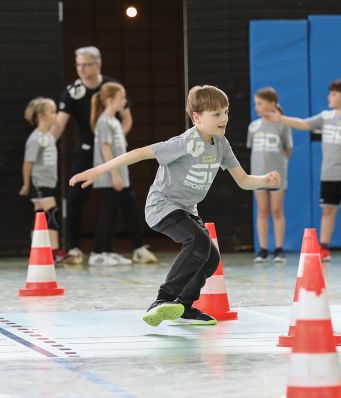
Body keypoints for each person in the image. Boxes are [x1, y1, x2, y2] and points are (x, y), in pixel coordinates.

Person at [70, 85, 280, 325]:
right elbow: (139, 153)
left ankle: (184, 306)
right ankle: (163, 299)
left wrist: (265, 180)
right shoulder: (184, 143)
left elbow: (243, 181)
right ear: (197, 118)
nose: (224, 118)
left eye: (226, 112)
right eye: (217, 114)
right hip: (162, 205)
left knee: (210, 259)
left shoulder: (222, 145)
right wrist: (98, 171)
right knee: (199, 242)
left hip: (187, 210)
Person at [53, 45, 156, 265]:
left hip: (111, 154)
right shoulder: (73, 91)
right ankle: (74, 248)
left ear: (97, 65)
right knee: (76, 200)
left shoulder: (112, 88)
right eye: (78, 64)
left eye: (86, 64)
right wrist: (46, 141)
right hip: (86, 154)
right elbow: (59, 125)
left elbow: (127, 119)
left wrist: (116, 138)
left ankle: (137, 247)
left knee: (124, 199)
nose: (81, 69)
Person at [264, 79, 341, 261]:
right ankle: (324, 248)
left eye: (334, 94)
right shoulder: (325, 117)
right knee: (327, 211)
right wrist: (281, 119)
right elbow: (303, 123)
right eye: (330, 93)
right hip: (329, 175)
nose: (329, 97)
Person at [88, 82, 149, 266]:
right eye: (122, 98)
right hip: (109, 178)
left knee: (114, 214)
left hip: (119, 177)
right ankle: (97, 253)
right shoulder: (104, 121)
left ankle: (107, 251)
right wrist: (114, 174)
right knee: (107, 214)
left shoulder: (114, 121)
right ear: (110, 100)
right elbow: (105, 149)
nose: (125, 101)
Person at [20, 97, 70, 264]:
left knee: (39, 216)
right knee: (53, 213)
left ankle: (37, 251)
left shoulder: (48, 136)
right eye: (53, 112)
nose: (56, 115)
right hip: (39, 183)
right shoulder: (35, 139)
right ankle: (55, 251)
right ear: (42, 116)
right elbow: (28, 163)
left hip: (48, 183)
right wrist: (27, 184)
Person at [247, 87, 292, 263]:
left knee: (276, 210)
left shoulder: (283, 125)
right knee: (263, 210)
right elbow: (253, 150)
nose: (256, 106)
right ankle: (263, 249)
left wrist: (279, 168)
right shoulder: (254, 126)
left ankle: (279, 249)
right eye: (255, 103)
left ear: (271, 104)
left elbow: (288, 150)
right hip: (258, 175)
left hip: (277, 175)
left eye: (260, 103)